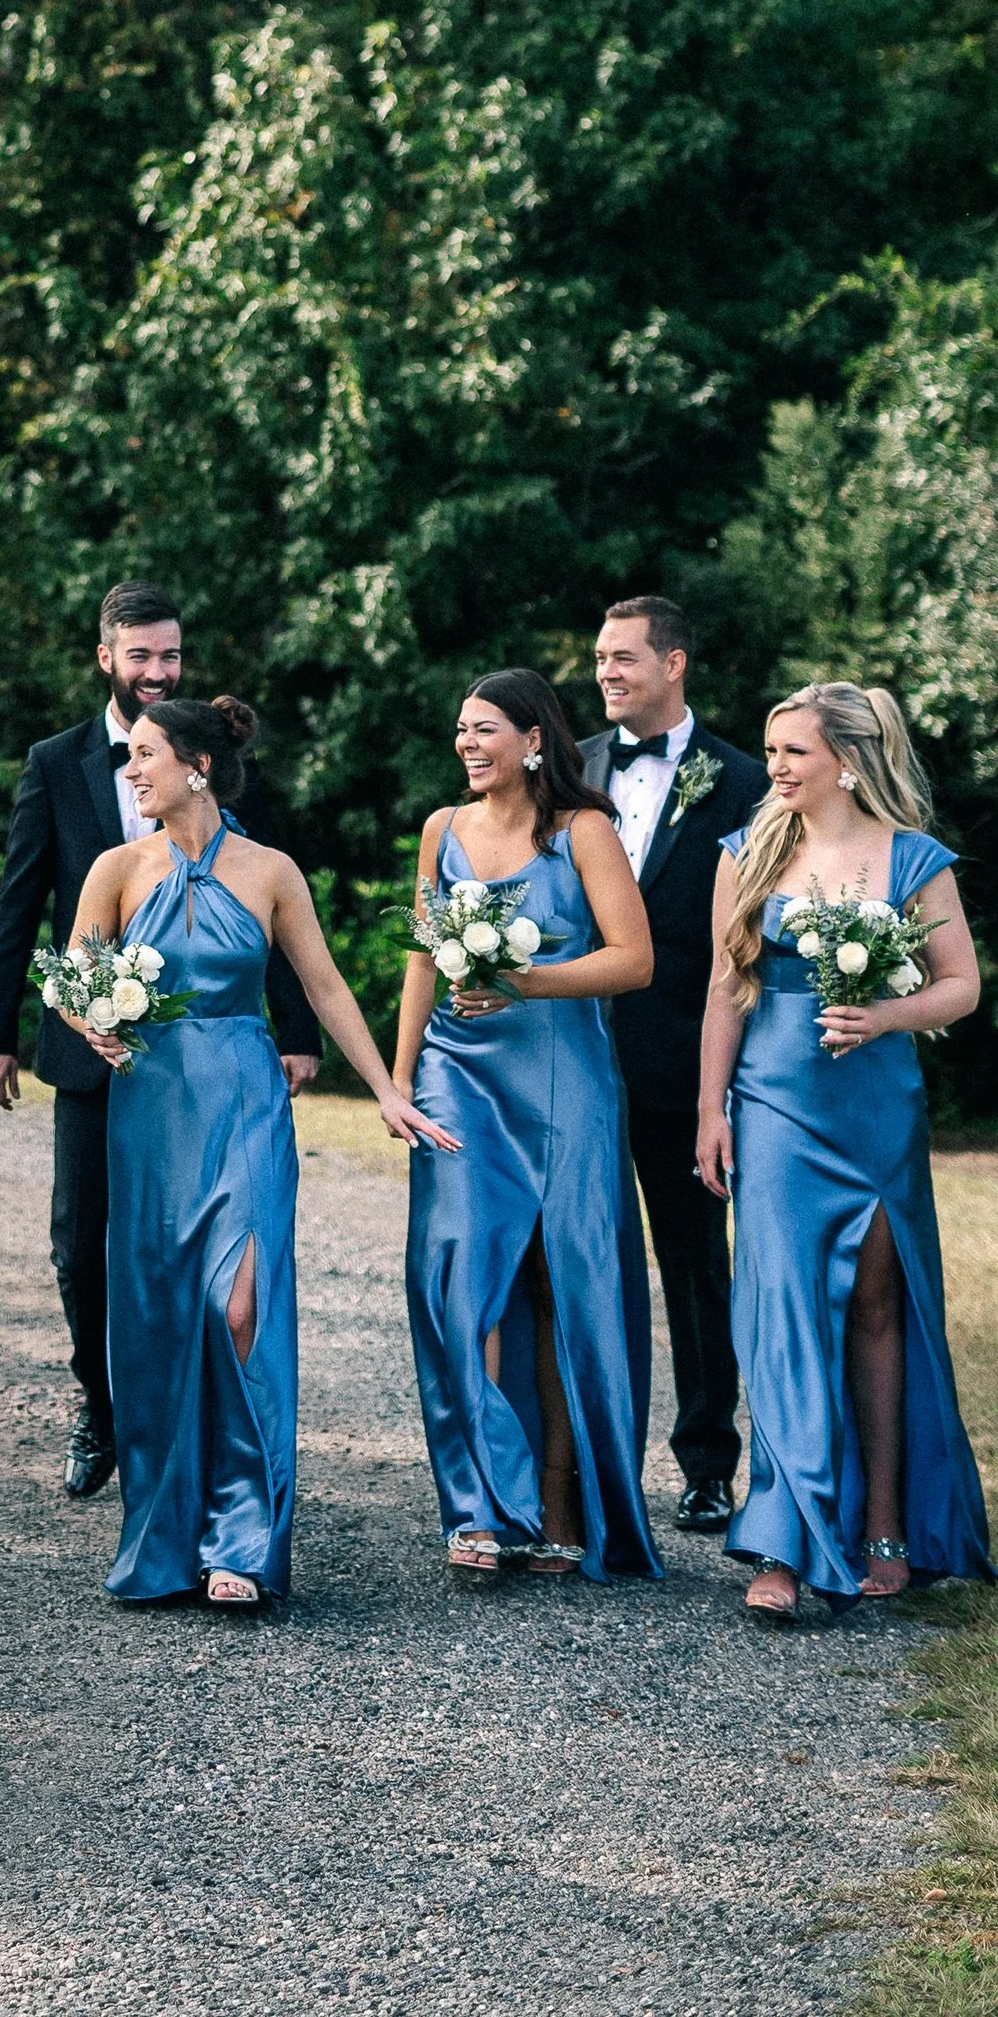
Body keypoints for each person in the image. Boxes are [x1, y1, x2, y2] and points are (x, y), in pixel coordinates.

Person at [68, 694, 453, 1609]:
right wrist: (93, 1022)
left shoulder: (272, 870)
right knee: (159, 1317)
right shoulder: (116, 869)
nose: (133, 770)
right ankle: (166, 1537)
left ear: (196, 766)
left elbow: (322, 988)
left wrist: (388, 1090)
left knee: (239, 1305)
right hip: (150, 1110)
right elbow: (73, 981)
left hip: (244, 1098)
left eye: (147, 755)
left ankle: (241, 1534)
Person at [0, 582, 321, 1500]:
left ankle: (193, 1422)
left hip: (209, 1056)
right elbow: (20, 898)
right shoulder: (57, 761)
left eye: (170, 655)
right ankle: (103, 1403)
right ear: (106, 660)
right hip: (97, 1050)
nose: (158, 671)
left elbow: (271, 907)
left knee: (195, 1245)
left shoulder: (220, 754)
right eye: (141, 656)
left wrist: (296, 1030)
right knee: (82, 1244)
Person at [697, 680, 991, 1616]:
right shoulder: (746, 852)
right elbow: (723, 986)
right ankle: (783, 1543)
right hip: (774, 1102)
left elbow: (962, 987)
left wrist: (884, 1015)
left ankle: (888, 1530)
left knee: (874, 1311)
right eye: (773, 750)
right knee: (780, 1312)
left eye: (795, 753)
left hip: (875, 1109)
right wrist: (712, 1109)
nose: (774, 767)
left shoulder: (914, 860)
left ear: (849, 762)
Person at [396, 670, 660, 1581]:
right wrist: (399, 1082)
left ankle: (554, 1503)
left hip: (563, 1082)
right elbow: (424, 966)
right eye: (460, 731)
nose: (468, 745)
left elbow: (634, 960)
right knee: (462, 1279)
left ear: (534, 739)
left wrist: (523, 980)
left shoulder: (583, 832)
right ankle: (478, 1506)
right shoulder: (442, 830)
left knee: (557, 1287)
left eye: (485, 731)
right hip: (456, 1077)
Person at [578, 593, 764, 1532]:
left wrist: (717, 1089)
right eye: (601, 659)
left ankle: (705, 1464)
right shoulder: (567, 769)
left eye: (624, 659)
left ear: (674, 663)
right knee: (578, 1263)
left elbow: (748, 944)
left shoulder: (741, 781)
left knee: (694, 1267)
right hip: (572, 1062)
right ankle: (589, 1462)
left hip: (684, 1061)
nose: (607, 673)